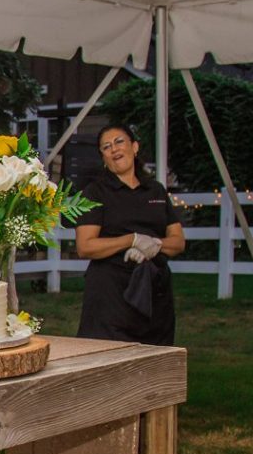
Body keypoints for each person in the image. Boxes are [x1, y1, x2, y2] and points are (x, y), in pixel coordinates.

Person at [75, 123, 186, 345]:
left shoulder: (155, 190)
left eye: (119, 142)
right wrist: (131, 240)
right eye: (106, 147)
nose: (114, 149)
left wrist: (154, 244)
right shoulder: (95, 192)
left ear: (135, 147)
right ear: (103, 157)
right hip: (111, 294)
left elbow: (178, 241)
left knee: (156, 362)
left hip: (156, 292)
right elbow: (85, 246)